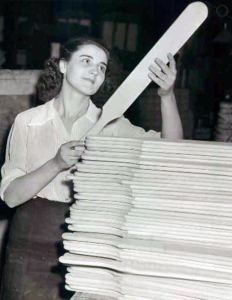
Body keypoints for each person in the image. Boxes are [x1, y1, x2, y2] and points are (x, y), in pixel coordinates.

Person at [0, 37, 183, 300]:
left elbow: (172, 148)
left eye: (102, 67)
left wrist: (167, 96)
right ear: (63, 66)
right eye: (86, 61)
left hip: (88, 239)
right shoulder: (27, 122)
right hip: (31, 239)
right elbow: (11, 196)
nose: (95, 70)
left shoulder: (111, 125)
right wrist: (56, 164)